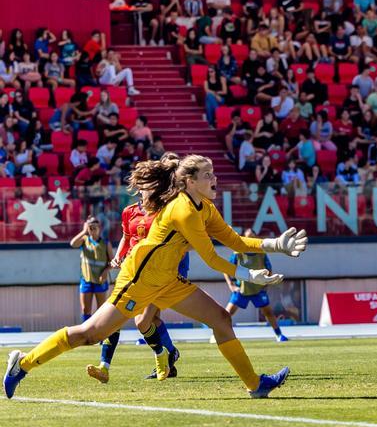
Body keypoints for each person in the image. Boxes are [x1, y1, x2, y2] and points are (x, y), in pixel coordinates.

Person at [4, 154, 308, 399]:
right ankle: (24, 363)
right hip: (140, 280)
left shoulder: (205, 208)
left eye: (213, 172)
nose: (215, 178)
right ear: (190, 181)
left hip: (167, 281)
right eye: (208, 174)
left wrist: (275, 244)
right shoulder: (183, 210)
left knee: (221, 319)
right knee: (89, 334)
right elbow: (212, 258)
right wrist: (247, 273)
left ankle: (255, 385)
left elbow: (236, 242)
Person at [86, 186, 190, 383]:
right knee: (124, 318)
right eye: (143, 187)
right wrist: (117, 257)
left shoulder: (166, 210)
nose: (146, 190)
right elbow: (127, 237)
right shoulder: (129, 211)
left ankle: (167, 355)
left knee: (144, 321)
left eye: (151, 186)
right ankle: (105, 366)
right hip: (133, 273)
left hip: (160, 275)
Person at [223, 229, 289, 342]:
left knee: (268, 312)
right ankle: (218, 335)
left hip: (258, 290)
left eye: (252, 236)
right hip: (242, 289)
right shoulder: (238, 252)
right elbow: (225, 268)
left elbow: (269, 268)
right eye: (248, 237)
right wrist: (231, 285)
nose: (250, 239)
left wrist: (267, 282)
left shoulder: (261, 253)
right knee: (226, 314)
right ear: (244, 238)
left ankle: (279, 335)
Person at [70, 217, 113, 323]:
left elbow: (112, 262)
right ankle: (87, 335)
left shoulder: (105, 243)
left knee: (101, 310)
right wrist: (84, 231)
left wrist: (105, 271)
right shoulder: (84, 240)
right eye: (90, 227)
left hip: (100, 281)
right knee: (85, 309)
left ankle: (100, 335)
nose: (93, 229)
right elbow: (72, 243)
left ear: (99, 228)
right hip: (86, 280)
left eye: (95, 226)